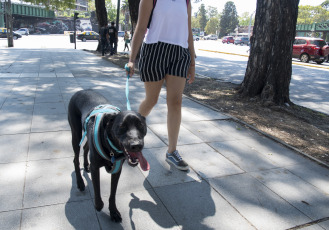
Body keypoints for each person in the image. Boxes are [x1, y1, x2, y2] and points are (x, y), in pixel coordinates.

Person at [126, 0, 196, 171]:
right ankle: (128, 132)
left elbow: (188, 32)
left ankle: (172, 151)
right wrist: (131, 60)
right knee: (151, 100)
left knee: (175, 102)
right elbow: (141, 28)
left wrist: (192, 61)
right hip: (154, 51)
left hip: (180, 53)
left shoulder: (186, 1)